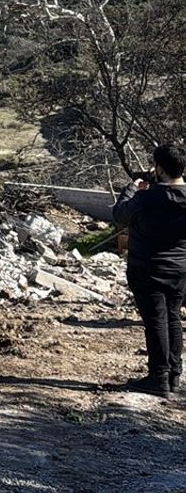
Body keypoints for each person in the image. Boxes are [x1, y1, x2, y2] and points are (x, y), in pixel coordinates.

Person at [112, 142, 186, 398]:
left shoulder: (145, 198)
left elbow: (120, 215)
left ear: (159, 168)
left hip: (147, 267)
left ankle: (159, 377)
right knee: (173, 316)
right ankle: (175, 375)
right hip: (179, 268)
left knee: (156, 320)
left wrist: (132, 187)